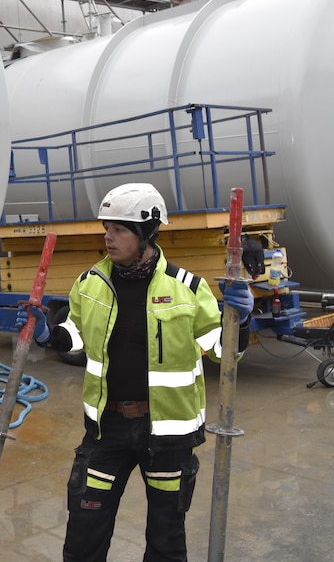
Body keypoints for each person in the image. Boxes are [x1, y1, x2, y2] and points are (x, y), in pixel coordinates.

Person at [28, 182, 253, 562]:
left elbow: (222, 352)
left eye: (118, 230)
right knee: (84, 536)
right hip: (107, 428)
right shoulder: (90, 283)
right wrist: (50, 335)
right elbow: (77, 335)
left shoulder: (188, 289)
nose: (108, 238)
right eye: (107, 229)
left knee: (166, 542)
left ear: (146, 232)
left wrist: (241, 321)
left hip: (168, 434)